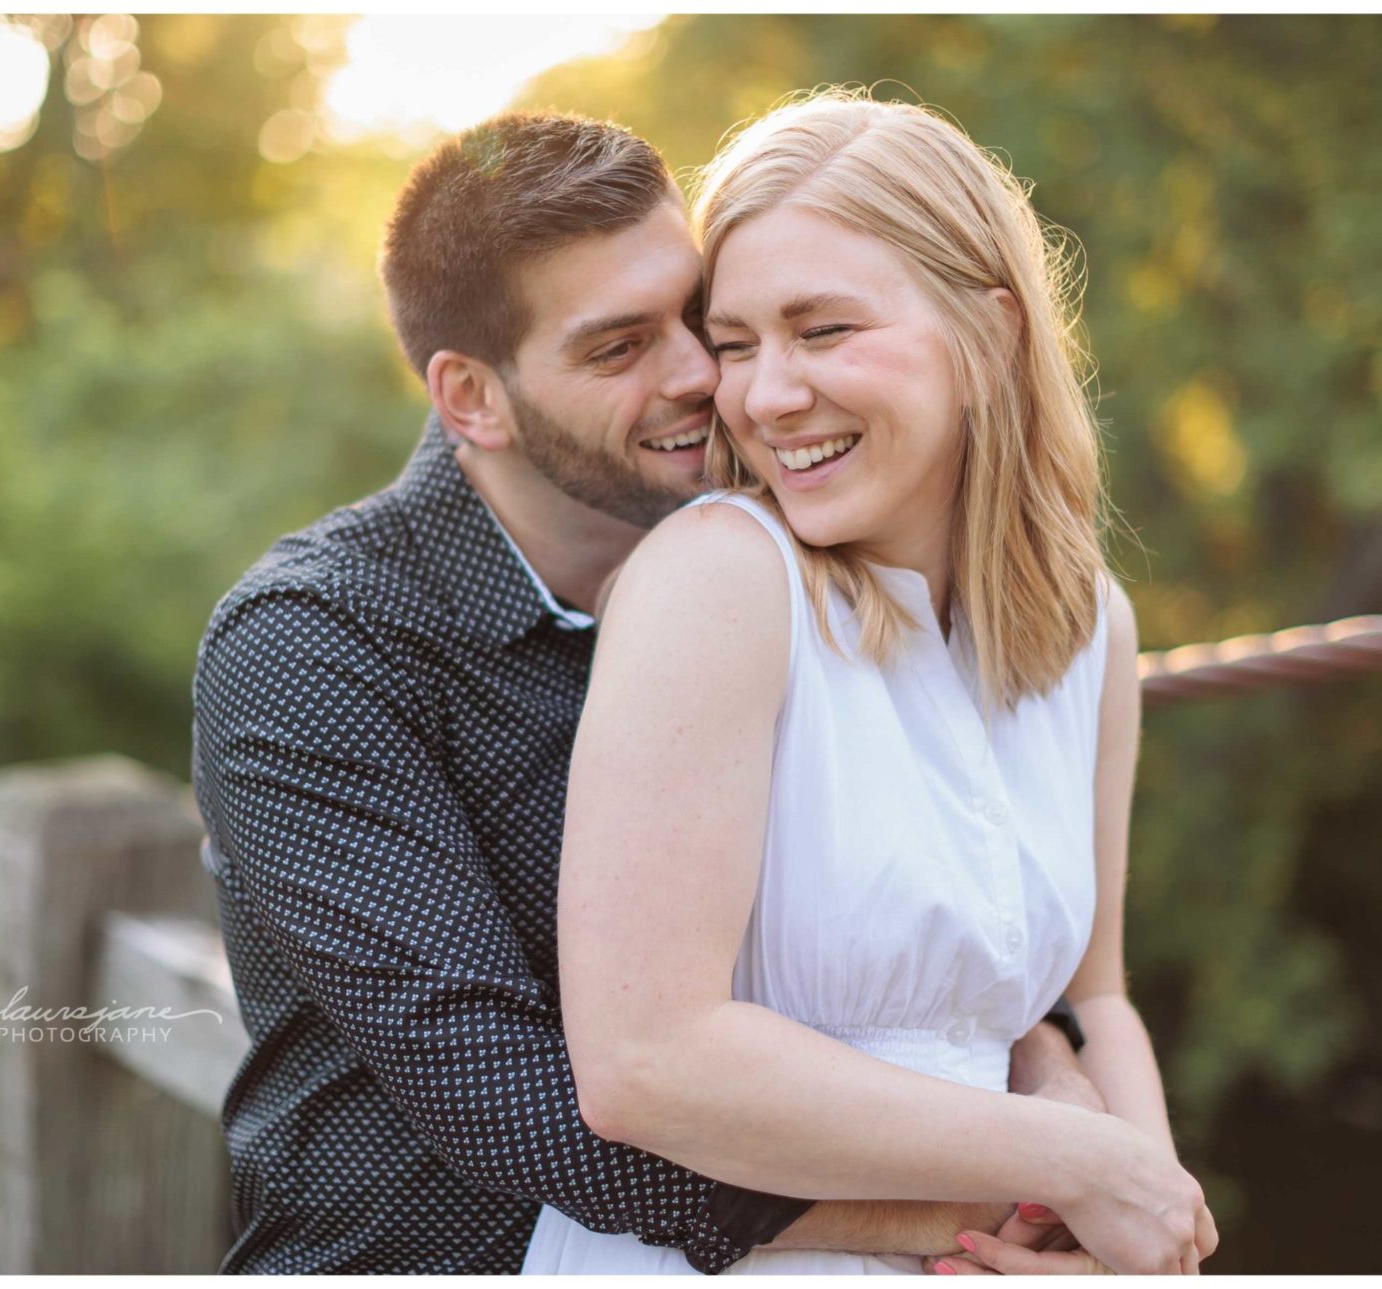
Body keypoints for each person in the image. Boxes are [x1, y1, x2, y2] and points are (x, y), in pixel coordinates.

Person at [192, 109, 1103, 1275]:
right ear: (471, 396)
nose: (702, 380)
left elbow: (916, 887)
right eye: (619, 348)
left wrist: (1052, 1058)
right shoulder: (317, 645)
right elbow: (509, 1088)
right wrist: (997, 1206)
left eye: (694, 318)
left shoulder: (784, 567)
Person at [519, 89, 1219, 1275]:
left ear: (991, 332)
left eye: (823, 330)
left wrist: (1144, 1237)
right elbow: (646, 1056)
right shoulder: (719, 580)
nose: (765, 395)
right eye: (735, 344)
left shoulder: (1091, 626)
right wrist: (1070, 1165)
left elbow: (1093, 1001)